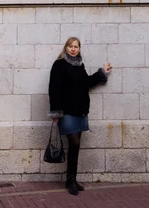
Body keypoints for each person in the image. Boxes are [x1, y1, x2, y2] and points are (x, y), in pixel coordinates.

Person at [48, 37, 112, 195]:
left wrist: (102, 73)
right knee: (74, 143)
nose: (73, 49)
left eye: (76, 46)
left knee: (75, 147)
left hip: (81, 111)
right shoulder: (59, 64)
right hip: (67, 112)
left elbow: (86, 82)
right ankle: (70, 181)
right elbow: (53, 88)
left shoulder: (80, 65)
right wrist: (56, 112)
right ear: (66, 48)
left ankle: (72, 179)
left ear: (79, 49)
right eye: (70, 46)